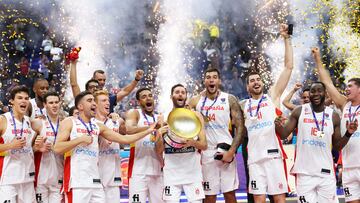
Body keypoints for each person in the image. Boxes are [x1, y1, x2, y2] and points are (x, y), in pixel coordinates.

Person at [53, 91, 157, 203]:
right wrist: (79, 140)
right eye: (89, 101)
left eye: (94, 100)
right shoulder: (69, 122)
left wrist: (149, 130)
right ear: (80, 106)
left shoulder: (98, 126)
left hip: (96, 182)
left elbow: (125, 139)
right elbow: (57, 148)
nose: (94, 103)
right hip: (77, 183)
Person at [275, 82, 358, 203]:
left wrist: (349, 133)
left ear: (325, 93)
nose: (316, 94)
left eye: (319, 90)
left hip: (326, 173)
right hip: (304, 174)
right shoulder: (299, 111)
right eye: (313, 91)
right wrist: (277, 125)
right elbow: (283, 134)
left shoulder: (333, 116)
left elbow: (337, 146)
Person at [240, 24, 293, 203]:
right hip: (254, 160)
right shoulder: (242, 105)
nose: (256, 82)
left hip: (273, 157)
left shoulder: (273, 96)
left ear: (262, 83)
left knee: (279, 199)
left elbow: (288, 67)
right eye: (252, 81)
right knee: (258, 200)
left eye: (258, 79)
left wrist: (286, 39)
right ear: (247, 87)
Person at [188, 68, 245, 203]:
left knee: (229, 194)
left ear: (219, 81)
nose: (211, 79)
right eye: (208, 77)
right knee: (209, 196)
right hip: (206, 152)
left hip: (225, 150)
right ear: (204, 81)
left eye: (214, 77)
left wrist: (232, 151)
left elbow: (240, 127)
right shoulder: (196, 101)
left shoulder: (229, 99)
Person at [314, 47, 360, 203]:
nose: (346, 89)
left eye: (350, 86)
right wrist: (318, 59)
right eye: (346, 86)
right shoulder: (343, 104)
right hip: (348, 167)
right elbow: (327, 83)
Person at [156, 84, 207, 203]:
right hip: (171, 173)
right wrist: (158, 135)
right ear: (171, 96)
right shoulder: (163, 118)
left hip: (192, 173)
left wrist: (192, 143)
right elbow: (158, 151)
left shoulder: (196, 116)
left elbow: (204, 145)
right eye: (177, 92)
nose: (180, 94)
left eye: (183, 92)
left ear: (186, 97)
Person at [125, 87, 164, 203]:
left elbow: (161, 148)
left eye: (150, 96)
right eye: (144, 96)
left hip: (157, 170)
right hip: (138, 171)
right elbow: (129, 129)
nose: (148, 98)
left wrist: (160, 130)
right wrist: (151, 127)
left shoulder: (159, 118)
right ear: (138, 102)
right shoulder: (135, 113)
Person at [0, 85, 36, 202]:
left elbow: (28, 149)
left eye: (26, 98)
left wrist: (37, 147)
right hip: (8, 179)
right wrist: (10, 145)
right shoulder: (3, 120)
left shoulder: (29, 121)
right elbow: (13, 146)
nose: (24, 101)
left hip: (27, 178)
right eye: (20, 98)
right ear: (11, 101)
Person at [69, 59, 144, 112]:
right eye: (99, 80)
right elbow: (74, 85)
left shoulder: (108, 98)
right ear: (93, 79)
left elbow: (125, 91)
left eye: (104, 80)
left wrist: (136, 79)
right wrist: (73, 63)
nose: (102, 82)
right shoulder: (83, 98)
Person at [93, 90, 126, 203]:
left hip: (113, 175)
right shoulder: (90, 123)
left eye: (108, 100)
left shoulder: (116, 121)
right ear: (95, 104)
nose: (108, 103)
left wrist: (121, 123)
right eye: (103, 100)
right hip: (95, 175)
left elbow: (127, 132)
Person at [31, 92, 64, 203]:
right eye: (51, 103)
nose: (54, 105)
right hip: (41, 176)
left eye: (56, 102)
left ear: (60, 103)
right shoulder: (38, 123)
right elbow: (27, 149)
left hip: (59, 175)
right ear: (45, 105)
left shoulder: (66, 124)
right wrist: (37, 148)